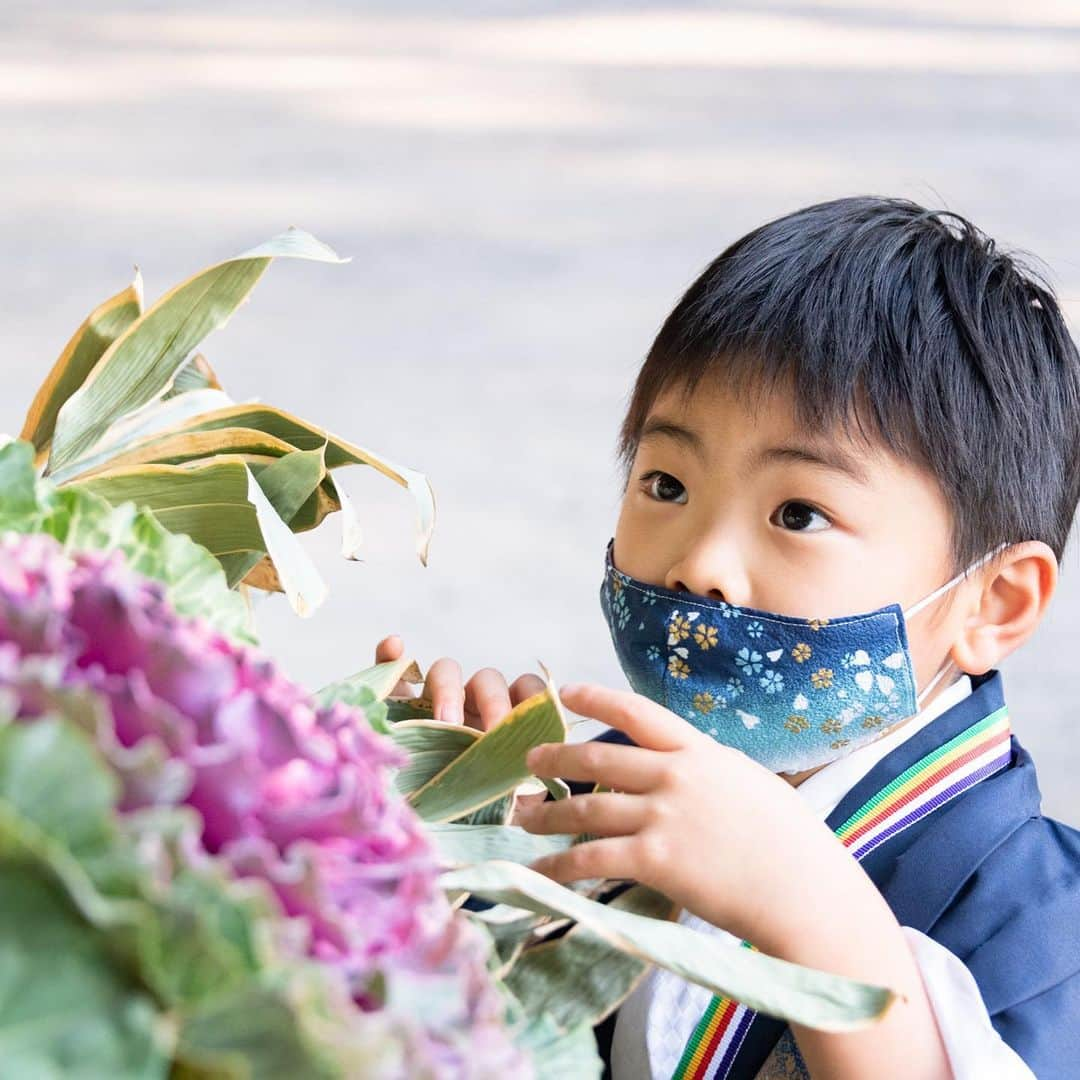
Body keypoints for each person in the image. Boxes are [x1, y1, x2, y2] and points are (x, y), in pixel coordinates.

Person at [374, 196, 1080, 1079]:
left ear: (996, 603)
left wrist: (806, 907)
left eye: (798, 511)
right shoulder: (599, 800)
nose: (699, 565)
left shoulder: (1045, 929)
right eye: (665, 485)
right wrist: (446, 852)